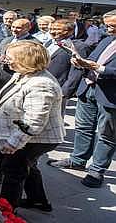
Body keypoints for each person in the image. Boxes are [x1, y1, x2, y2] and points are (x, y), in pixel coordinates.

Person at [48, 10, 116, 188]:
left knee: (107, 134)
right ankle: (77, 159)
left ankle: (97, 170)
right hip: (89, 88)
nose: (108, 28)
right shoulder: (107, 40)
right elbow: (91, 59)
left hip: (110, 95)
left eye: (112, 26)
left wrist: (99, 68)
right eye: (107, 25)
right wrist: (79, 62)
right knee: (83, 127)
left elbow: (102, 66)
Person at [0, 40, 64, 211]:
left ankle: (6, 212)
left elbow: (34, 121)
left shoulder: (41, 84)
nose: (5, 60)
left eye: (10, 57)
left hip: (34, 138)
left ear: (25, 59)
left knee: (13, 170)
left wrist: (13, 143)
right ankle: (38, 201)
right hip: (28, 136)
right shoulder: (26, 73)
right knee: (28, 166)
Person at [46, 19, 90, 116]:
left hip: (58, 88)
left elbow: (77, 71)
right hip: (43, 84)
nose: (53, 31)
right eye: (51, 29)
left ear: (70, 31)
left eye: (57, 29)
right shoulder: (49, 43)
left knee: (54, 119)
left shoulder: (78, 46)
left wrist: (65, 91)